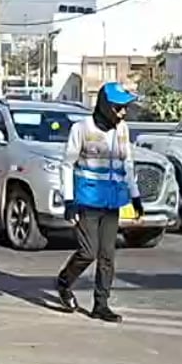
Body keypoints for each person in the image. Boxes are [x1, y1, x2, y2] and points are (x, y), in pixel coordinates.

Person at [55, 82, 143, 323]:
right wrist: (69, 200)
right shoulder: (81, 129)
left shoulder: (122, 129)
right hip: (87, 199)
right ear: (104, 106)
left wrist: (135, 196)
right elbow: (67, 165)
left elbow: (127, 163)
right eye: (118, 108)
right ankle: (64, 281)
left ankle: (101, 305)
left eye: (125, 108)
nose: (122, 113)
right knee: (88, 252)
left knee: (107, 256)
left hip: (112, 201)